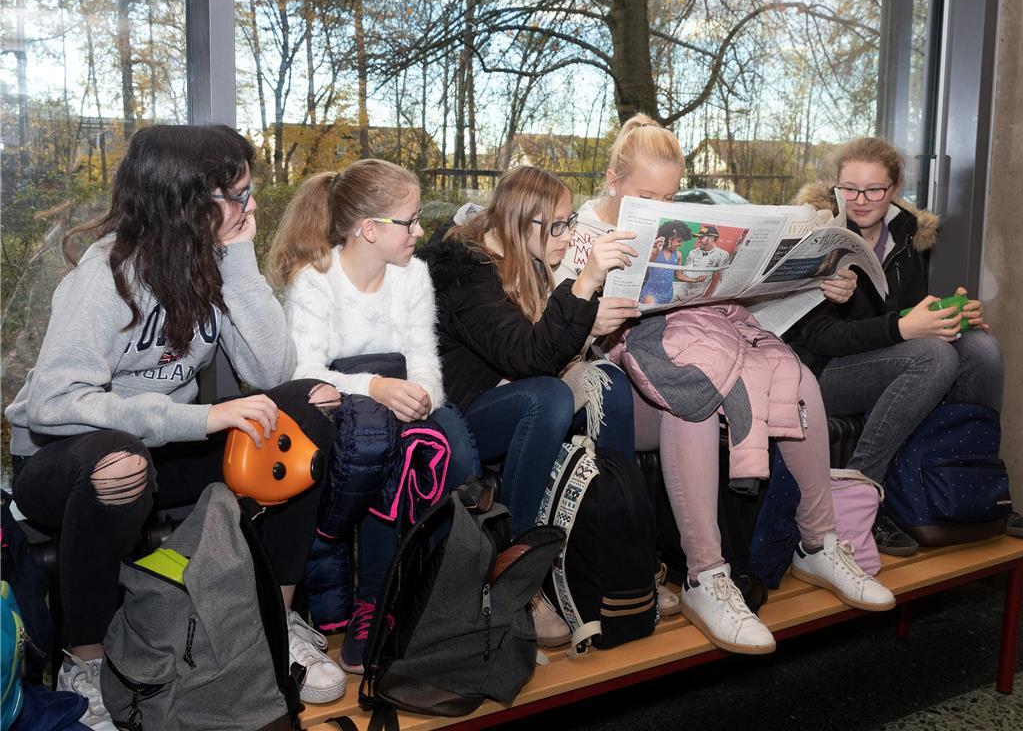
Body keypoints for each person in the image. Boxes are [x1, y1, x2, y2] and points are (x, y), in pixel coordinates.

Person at [4, 125, 348, 727]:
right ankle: (82, 663)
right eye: (238, 195)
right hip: (60, 461)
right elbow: (53, 403)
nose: (251, 208)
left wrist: (239, 262)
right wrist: (199, 416)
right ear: (188, 201)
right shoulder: (107, 274)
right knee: (121, 458)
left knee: (306, 407)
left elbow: (271, 368)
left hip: (169, 443)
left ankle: (277, 619)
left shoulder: (212, 263)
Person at [567, 114, 895, 655]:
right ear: (611, 179)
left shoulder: (681, 225)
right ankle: (705, 576)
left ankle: (820, 542)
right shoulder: (578, 239)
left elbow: (743, 308)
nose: (661, 207)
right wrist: (590, 319)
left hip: (700, 349)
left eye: (670, 196)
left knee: (797, 380)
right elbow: (549, 341)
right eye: (647, 196)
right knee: (690, 400)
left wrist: (816, 284)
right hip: (622, 387)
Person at [267, 158, 482, 672]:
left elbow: (425, 355)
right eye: (408, 221)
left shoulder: (414, 275)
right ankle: (374, 602)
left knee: (456, 460)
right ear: (369, 229)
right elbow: (306, 372)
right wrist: (377, 388)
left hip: (400, 393)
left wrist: (423, 396)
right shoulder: (315, 280)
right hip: (340, 406)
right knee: (393, 453)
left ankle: (416, 589)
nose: (419, 231)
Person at [420, 165, 642, 647]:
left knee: (608, 382)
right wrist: (583, 288)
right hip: (462, 412)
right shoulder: (467, 273)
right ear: (525, 222)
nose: (569, 235)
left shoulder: (526, 257)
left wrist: (587, 319)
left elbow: (545, 349)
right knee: (550, 397)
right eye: (559, 225)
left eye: (570, 222)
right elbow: (528, 357)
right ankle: (518, 564)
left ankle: (616, 559)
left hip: (507, 389)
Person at [786, 136, 1023, 556]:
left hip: (883, 358)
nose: (861, 200)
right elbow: (819, 338)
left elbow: (902, 315)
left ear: (895, 188)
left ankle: (972, 483)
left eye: (874, 190)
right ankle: (859, 496)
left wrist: (945, 314)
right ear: (835, 187)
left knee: (980, 348)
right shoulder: (815, 235)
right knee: (933, 355)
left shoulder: (905, 236)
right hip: (821, 371)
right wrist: (905, 326)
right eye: (849, 189)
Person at [639, 220, 690, 304]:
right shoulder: (654, 251)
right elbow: (647, 264)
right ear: (670, 239)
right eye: (679, 241)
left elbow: (679, 275)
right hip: (651, 294)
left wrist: (696, 280)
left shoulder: (678, 255)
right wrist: (655, 250)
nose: (681, 244)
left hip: (668, 295)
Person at [675, 224, 731, 301]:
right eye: (698, 237)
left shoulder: (722, 254)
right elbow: (686, 273)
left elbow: (724, 279)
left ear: (711, 238)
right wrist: (696, 279)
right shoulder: (693, 252)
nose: (698, 240)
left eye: (701, 237)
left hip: (701, 292)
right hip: (685, 286)